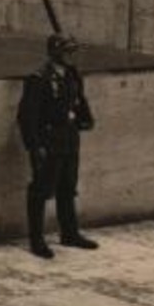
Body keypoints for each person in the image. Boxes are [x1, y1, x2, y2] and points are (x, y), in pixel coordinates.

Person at [17, 33, 98, 259]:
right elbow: (27, 116)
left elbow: (79, 99)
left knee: (67, 187)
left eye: (74, 51)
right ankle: (36, 240)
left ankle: (69, 233)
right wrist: (34, 146)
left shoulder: (72, 75)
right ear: (55, 53)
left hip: (69, 138)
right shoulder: (39, 79)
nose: (73, 56)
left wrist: (86, 118)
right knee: (41, 190)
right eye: (68, 52)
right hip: (48, 140)